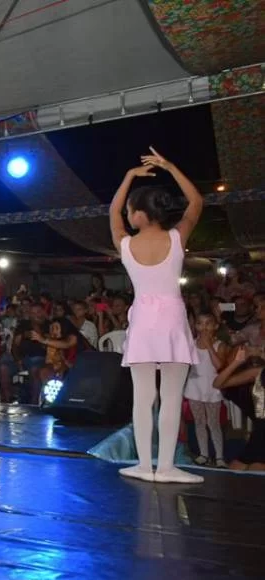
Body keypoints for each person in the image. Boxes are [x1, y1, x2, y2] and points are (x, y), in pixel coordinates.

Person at [109, 147, 203, 484]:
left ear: (137, 214)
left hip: (145, 322)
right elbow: (196, 203)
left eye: (132, 209)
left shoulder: (125, 244)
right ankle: (166, 467)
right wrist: (170, 165)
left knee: (143, 396)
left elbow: (112, 212)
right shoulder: (177, 238)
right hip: (173, 320)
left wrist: (128, 178)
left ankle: (144, 465)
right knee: (172, 396)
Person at [184, 313, 226, 468]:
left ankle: (220, 456)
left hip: (212, 386)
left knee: (213, 423)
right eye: (200, 323)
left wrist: (209, 346)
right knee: (199, 422)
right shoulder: (192, 344)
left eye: (208, 323)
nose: (204, 327)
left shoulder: (219, 345)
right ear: (196, 326)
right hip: (195, 386)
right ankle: (204, 454)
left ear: (215, 326)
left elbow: (219, 366)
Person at [214, 346, 265, 471]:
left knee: (254, 469)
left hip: (260, 431)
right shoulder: (257, 373)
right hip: (260, 429)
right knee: (239, 469)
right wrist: (236, 362)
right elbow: (217, 384)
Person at [1, 303, 49, 404]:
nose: (37, 315)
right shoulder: (23, 325)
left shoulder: (49, 325)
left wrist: (38, 332)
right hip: (21, 357)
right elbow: (15, 345)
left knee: (35, 368)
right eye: (33, 313)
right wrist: (17, 359)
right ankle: (7, 399)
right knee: (4, 366)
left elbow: (48, 346)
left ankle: (34, 403)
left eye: (39, 312)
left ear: (43, 312)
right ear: (30, 315)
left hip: (39, 358)